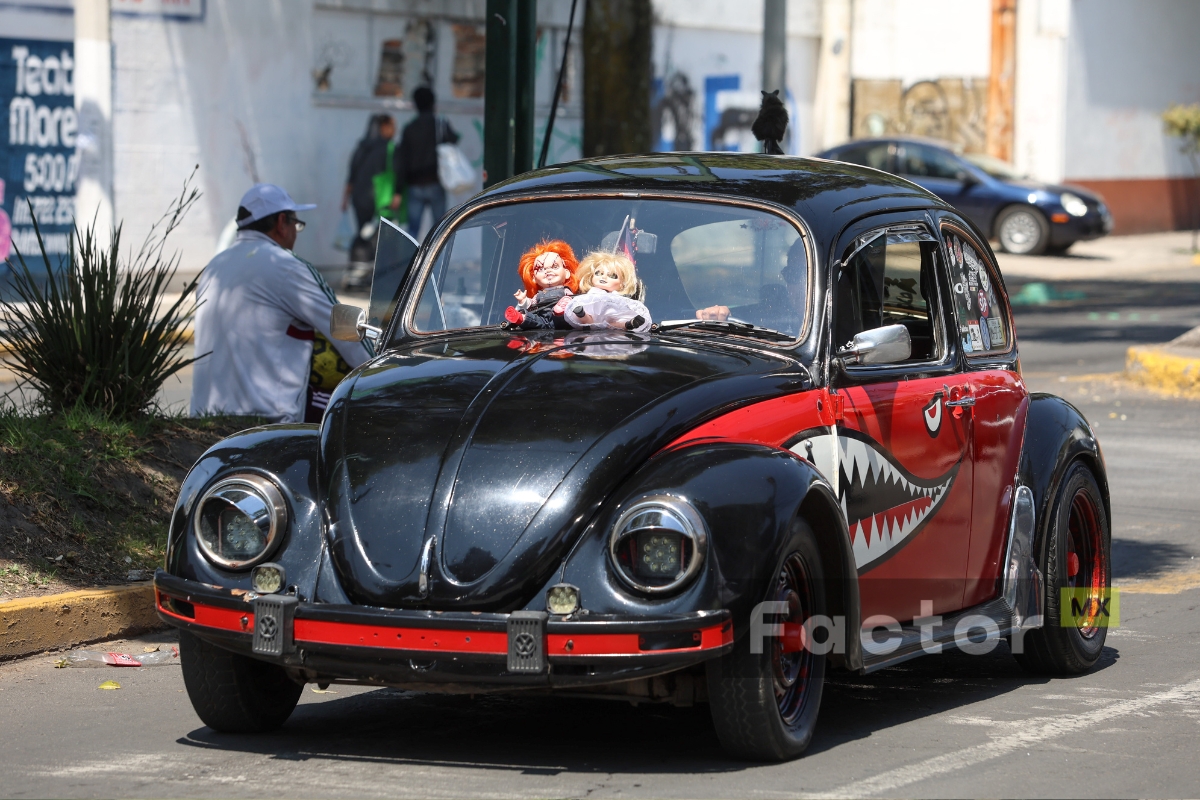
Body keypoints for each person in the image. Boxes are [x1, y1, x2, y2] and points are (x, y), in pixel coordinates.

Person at [191, 184, 371, 423]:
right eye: (296, 225)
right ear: (281, 222)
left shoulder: (213, 267)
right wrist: (382, 374)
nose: (296, 234)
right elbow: (345, 328)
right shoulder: (286, 265)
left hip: (203, 418)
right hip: (265, 423)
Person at [342, 114, 403, 288]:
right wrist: (397, 194)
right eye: (392, 125)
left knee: (363, 234)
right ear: (383, 127)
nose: (394, 130)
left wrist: (345, 200)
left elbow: (351, 176)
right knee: (379, 239)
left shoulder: (361, 147)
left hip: (359, 201)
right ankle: (376, 277)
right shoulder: (389, 148)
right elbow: (397, 173)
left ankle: (359, 274)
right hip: (378, 201)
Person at [398, 86, 459, 241]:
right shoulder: (440, 124)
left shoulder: (409, 129)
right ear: (433, 104)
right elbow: (454, 139)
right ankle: (438, 263)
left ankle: (410, 263)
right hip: (435, 182)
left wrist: (398, 189)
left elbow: (402, 161)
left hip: (414, 185)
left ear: (415, 105)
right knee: (441, 229)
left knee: (412, 229)